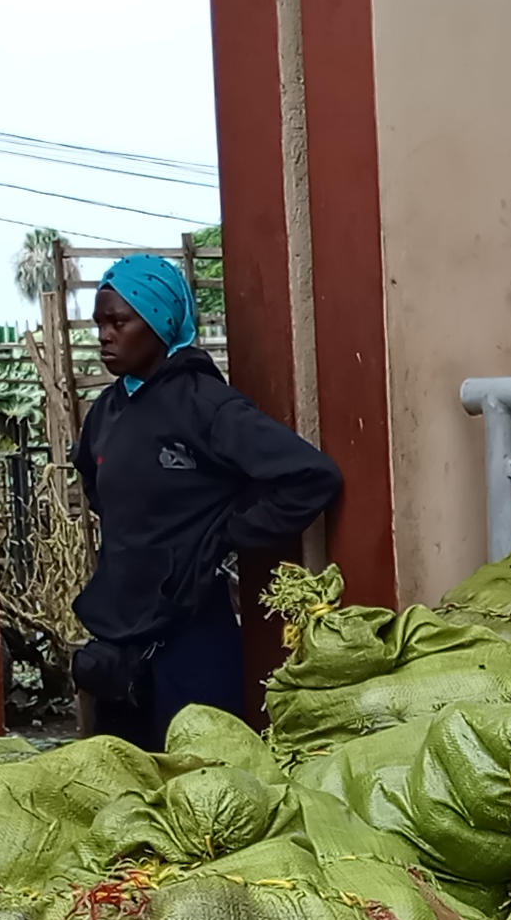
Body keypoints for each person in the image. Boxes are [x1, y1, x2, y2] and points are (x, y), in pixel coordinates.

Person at [69, 251, 340, 742]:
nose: (104, 335)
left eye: (119, 322)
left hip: (190, 640)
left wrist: (229, 535)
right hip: (117, 639)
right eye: (99, 323)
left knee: (201, 780)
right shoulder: (107, 412)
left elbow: (311, 476)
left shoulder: (207, 405)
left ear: (160, 321)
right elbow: (94, 480)